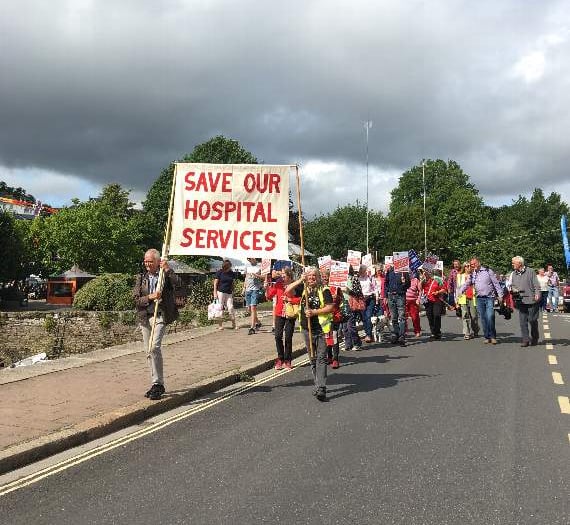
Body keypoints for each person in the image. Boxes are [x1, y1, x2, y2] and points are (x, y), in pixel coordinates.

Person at [133, 248, 180, 401]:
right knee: (148, 351)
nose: (147, 263)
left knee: (154, 347)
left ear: (157, 261)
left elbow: (180, 286)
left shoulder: (165, 275)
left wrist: (168, 270)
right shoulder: (141, 278)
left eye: (150, 261)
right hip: (145, 317)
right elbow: (136, 300)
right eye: (145, 260)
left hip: (160, 315)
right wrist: (151, 296)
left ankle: (159, 384)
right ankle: (155, 383)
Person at [285, 267, 334, 402]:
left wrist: (314, 312)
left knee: (321, 358)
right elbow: (287, 290)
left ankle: (322, 388)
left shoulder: (324, 290)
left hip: (321, 329)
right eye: (309, 275)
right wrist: (301, 279)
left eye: (314, 275)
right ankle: (318, 384)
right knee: (312, 359)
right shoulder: (303, 289)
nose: (311, 278)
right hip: (307, 329)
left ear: (318, 277)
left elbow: (330, 307)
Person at [458, 257, 503, 344]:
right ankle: (487, 336)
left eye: (474, 264)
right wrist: (461, 291)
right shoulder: (473, 274)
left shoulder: (488, 271)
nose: (472, 266)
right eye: (471, 264)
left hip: (489, 297)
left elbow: (496, 283)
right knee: (483, 318)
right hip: (479, 298)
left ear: (478, 263)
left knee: (490, 316)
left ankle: (493, 336)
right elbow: (467, 283)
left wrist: (500, 295)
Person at [265, 267, 300, 370]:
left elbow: (301, 299)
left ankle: (288, 360)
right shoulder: (278, 284)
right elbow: (269, 296)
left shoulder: (296, 284)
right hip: (279, 313)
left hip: (290, 314)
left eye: (284, 274)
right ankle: (280, 358)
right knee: (277, 336)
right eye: (282, 274)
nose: (282, 275)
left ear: (289, 275)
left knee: (288, 337)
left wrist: (290, 299)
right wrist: (267, 286)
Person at [509, 256, 541, 346]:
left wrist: (537, 293)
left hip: (531, 299)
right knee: (523, 321)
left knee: (532, 320)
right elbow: (511, 285)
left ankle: (535, 337)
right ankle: (525, 340)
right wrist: (512, 289)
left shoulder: (530, 271)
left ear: (520, 263)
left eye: (513, 263)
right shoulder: (513, 274)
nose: (512, 264)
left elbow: (536, 285)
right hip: (520, 300)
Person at [384, 265, 411, 346]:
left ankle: (402, 336)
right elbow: (386, 284)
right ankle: (395, 334)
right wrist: (386, 295)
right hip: (391, 296)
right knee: (393, 317)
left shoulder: (404, 272)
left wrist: (404, 283)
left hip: (400, 296)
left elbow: (408, 284)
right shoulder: (390, 271)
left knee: (401, 316)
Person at [419, 268, 447, 340]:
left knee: (437, 315)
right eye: (424, 272)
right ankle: (433, 332)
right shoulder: (424, 280)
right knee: (430, 316)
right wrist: (422, 279)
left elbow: (444, 289)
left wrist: (438, 292)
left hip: (437, 300)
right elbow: (419, 288)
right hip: (427, 300)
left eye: (426, 272)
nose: (425, 273)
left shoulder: (438, 279)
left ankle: (437, 331)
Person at [455, 261, 479, 339]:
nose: (468, 267)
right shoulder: (460, 276)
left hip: (473, 298)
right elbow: (457, 289)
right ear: (464, 267)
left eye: (469, 266)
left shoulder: (474, 276)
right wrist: (457, 300)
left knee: (474, 316)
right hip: (463, 298)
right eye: (466, 266)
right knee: (465, 316)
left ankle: (475, 330)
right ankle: (467, 333)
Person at [213, 259, 237, 330]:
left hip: (229, 292)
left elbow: (232, 283)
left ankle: (234, 324)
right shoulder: (219, 272)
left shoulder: (231, 273)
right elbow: (215, 283)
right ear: (226, 266)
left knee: (231, 307)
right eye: (229, 266)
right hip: (220, 292)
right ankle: (220, 325)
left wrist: (233, 291)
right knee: (220, 307)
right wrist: (214, 293)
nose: (230, 268)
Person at [358, 264, 377, 343]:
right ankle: (367, 333)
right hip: (361, 299)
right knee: (363, 317)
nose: (362, 272)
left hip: (370, 298)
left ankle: (368, 335)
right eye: (361, 271)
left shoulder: (370, 278)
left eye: (363, 271)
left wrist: (376, 296)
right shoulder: (358, 279)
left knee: (368, 316)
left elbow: (375, 287)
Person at [244, 258, 263, 334]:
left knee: (253, 308)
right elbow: (246, 277)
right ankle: (258, 322)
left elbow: (264, 277)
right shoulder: (247, 265)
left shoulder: (260, 266)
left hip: (255, 289)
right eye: (248, 259)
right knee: (249, 309)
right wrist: (244, 287)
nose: (249, 260)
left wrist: (256, 275)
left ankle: (252, 327)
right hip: (248, 289)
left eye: (250, 258)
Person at [405, 271, 422, 337]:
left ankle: (417, 331)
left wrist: (418, 299)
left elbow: (420, 291)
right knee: (404, 317)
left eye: (410, 273)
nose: (409, 274)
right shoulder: (403, 279)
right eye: (407, 273)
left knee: (415, 317)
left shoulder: (416, 280)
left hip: (413, 301)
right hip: (404, 300)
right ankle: (404, 331)